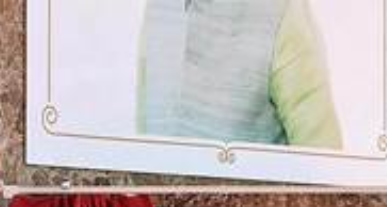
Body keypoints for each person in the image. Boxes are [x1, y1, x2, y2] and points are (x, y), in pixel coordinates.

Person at [138, 0, 343, 148]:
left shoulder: (281, 10)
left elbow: (323, 163)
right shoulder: (160, 7)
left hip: (257, 195)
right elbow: (148, 131)